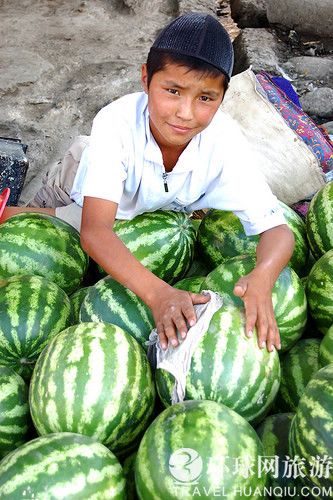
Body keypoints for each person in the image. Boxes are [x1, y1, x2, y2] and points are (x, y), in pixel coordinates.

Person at [0, 12, 295, 353]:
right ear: (145, 79)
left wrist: (264, 274)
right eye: (173, 91)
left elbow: (278, 229)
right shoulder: (116, 124)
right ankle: (11, 208)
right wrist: (160, 295)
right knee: (60, 226)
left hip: (155, 205)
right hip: (83, 183)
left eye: (205, 98)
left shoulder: (224, 142)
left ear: (223, 96)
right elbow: (96, 232)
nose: (185, 112)